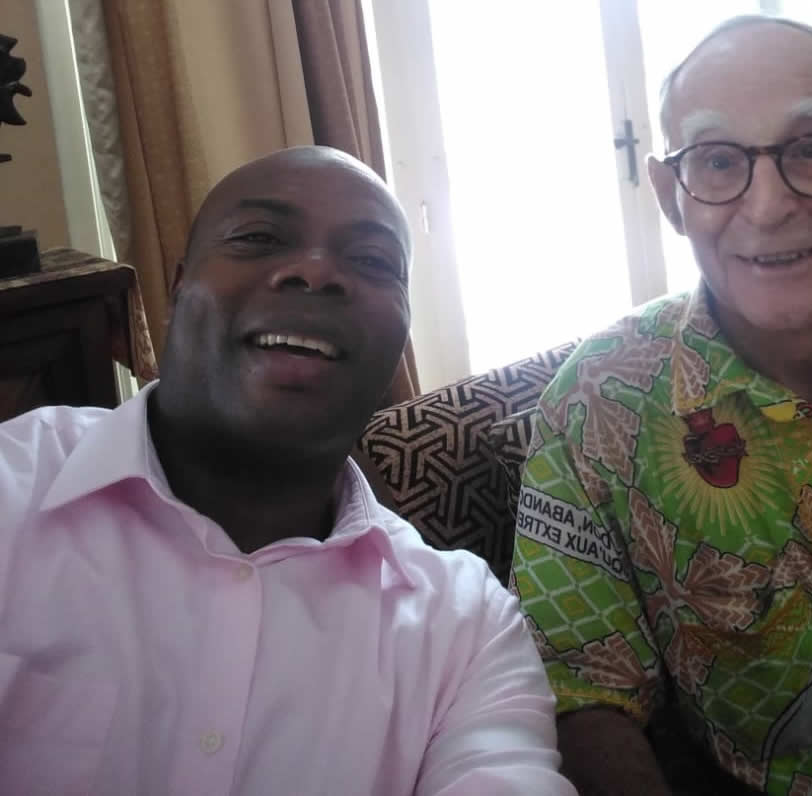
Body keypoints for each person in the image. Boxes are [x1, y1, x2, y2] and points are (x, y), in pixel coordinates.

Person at [0, 146, 576, 795]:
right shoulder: (13, 491)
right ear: (178, 289)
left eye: (372, 261)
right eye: (258, 238)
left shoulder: (466, 626)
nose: (314, 271)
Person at [511, 15, 812, 796]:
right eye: (717, 162)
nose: (766, 207)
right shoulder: (594, 408)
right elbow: (582, 692)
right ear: (669, 194)